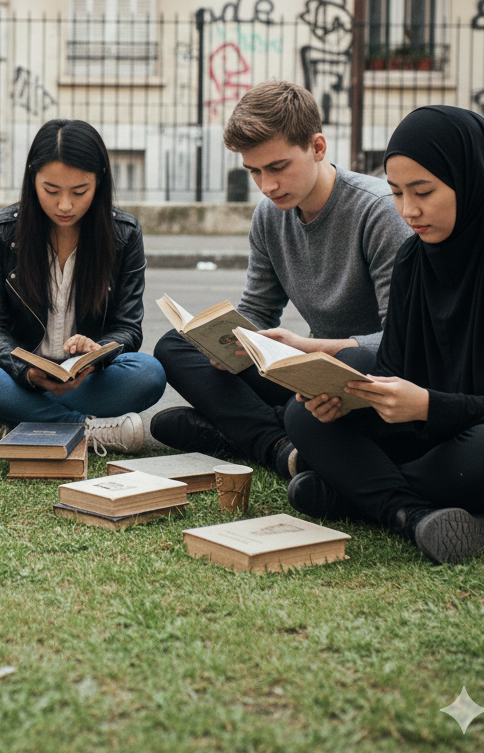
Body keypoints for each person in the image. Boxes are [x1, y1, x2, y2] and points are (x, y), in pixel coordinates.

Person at [285, 105, 484, 563]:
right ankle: (407, 513)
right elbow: (394, 367)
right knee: (304, 417)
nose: (409, 211)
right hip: (429, 439)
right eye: (395, 193)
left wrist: (430, 406)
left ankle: (354, 493)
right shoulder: (414, 258)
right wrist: (349, 402)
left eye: (424, 191)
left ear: (470, 179)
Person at [152, 81, 411, 477]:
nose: (267, 185)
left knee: (309, 397)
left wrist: (308, 347)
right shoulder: (269, 215)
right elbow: (257, 310)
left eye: (277, 167)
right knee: (174, 346)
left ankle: (244, 433)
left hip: (370, 373)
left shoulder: (379, 212)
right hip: (308, 371)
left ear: (317, 148)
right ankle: (282, 448)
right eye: (254, 171)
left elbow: (402, 339)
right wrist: (225, 342)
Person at [0, 119, 166, 454]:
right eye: (52, 190)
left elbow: (127, 328)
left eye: (80, 191)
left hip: (85, 382)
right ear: (32, 179)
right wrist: (26, 372)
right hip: (17, 379)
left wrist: (95, 353)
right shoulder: (0, 232)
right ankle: (86, 429)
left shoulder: (125, 235)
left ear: (100, 181)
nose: (65, 205)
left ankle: (10, 420)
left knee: (149, 372)